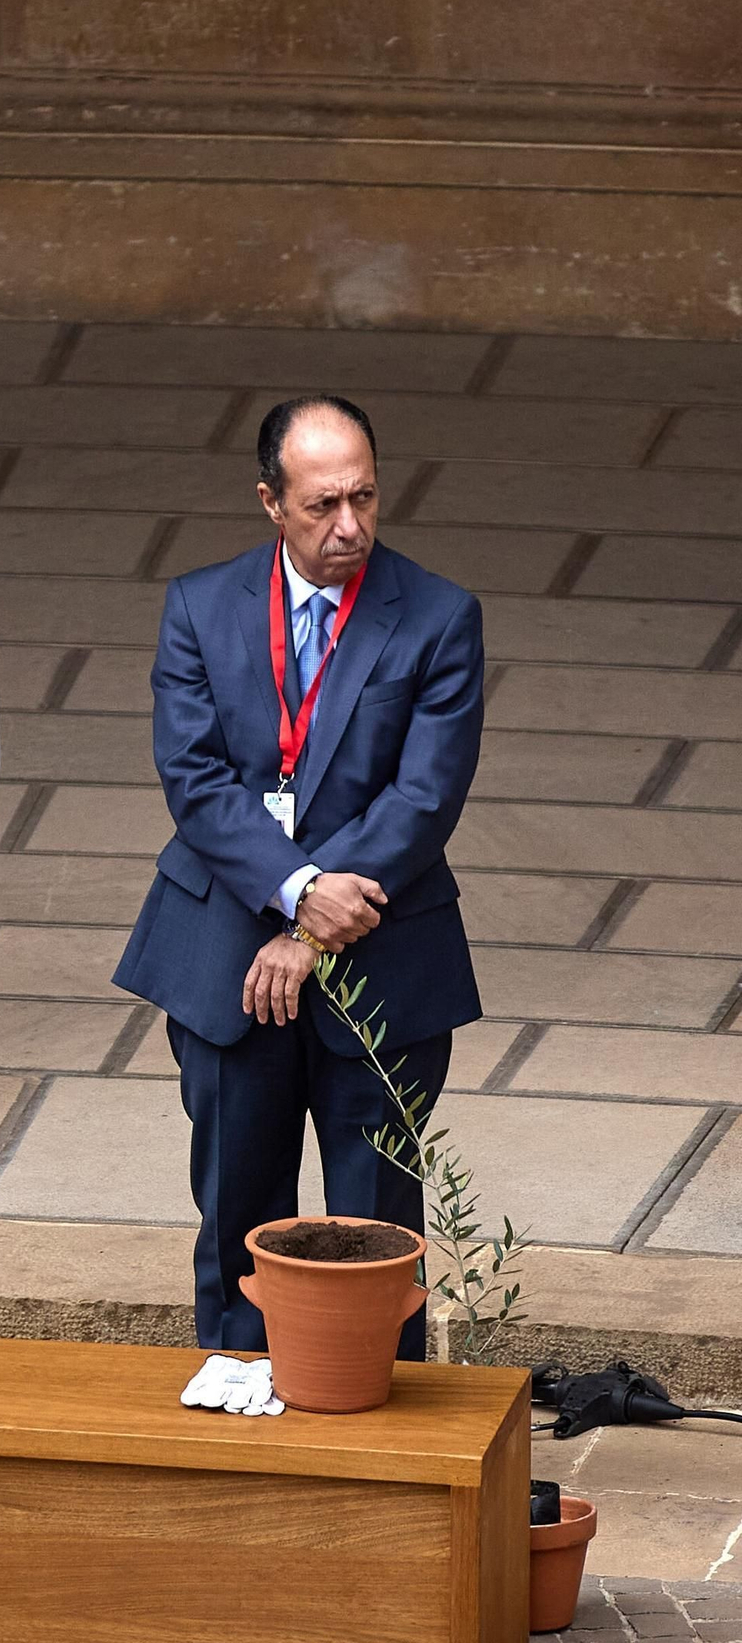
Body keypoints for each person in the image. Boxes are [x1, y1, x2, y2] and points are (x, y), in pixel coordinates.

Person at [114, 396, 483, 1359]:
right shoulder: (200, 606)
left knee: (375, 1234)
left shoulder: (439, 616)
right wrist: (293, 891)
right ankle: (239, 1397)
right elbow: (194, 782)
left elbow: (424, 798)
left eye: (364, 496)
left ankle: (377, 1432)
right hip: (227, 958)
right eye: (323, 505)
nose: (349, 525)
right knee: (238, 1216)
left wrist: (314, 925)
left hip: (383, 961)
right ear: (271, 502)